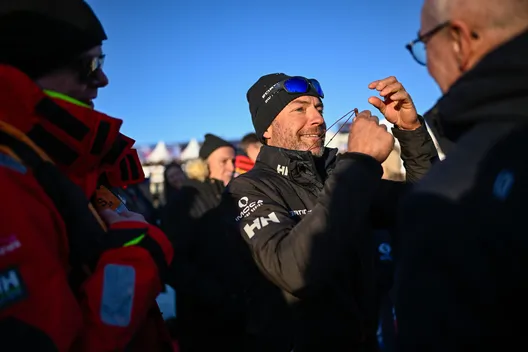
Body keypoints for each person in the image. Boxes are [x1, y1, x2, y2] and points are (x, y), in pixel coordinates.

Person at [218, 73, 437, 351]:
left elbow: (425, 204)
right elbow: (294, 272)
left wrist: (411, 131)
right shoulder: (248, 189)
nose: (318, 119)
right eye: (300, 109)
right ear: (268, 129)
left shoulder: (337, 177)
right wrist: (359, 163)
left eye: (319, 108)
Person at [0, 1, 173, 351]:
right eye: (89, 64)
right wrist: (140, 253)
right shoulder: (10, 178)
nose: (102, 79)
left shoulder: (60, 159)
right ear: (31, 67)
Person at [396, 0, 528, 350]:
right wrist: (413, 133)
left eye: (424, 45)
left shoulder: (449, 200)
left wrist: (358, 164)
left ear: (458, 40)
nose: (426, 68)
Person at [162, 134, 237, 352]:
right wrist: (211, 293)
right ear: (204, 164)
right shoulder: (184, 200)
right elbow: (172, 258)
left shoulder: (227, 195)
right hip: (201, 316)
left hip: (233, 312)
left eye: (233, 160)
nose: (231, 167)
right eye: (224, 161)